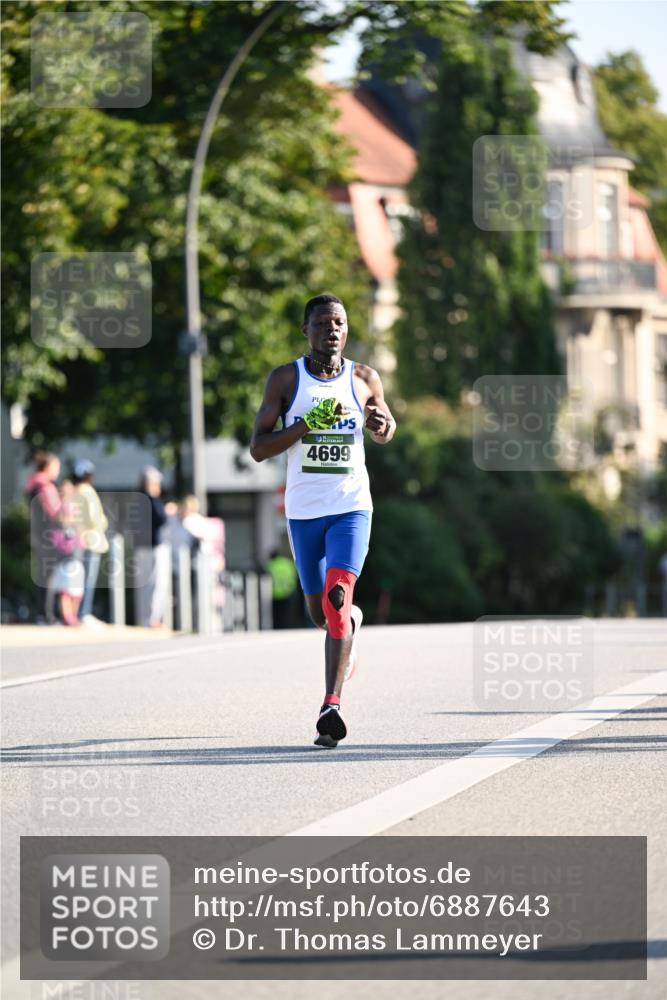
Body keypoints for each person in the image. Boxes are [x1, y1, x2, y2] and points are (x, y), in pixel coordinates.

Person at [250, 292, 396, 747]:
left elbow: (386, 427)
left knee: (337, 596)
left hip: (351, 507)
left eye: (339, 323)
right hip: (304, 512)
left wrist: (382, 427)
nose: (331, 330)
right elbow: (258, 448)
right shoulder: (285, 380)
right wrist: (305, 425)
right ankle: (349, 626)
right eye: (322, 323)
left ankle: (331, 707)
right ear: (306, 330)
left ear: (346, 330)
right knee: (321, 613)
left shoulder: (364, 377)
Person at [24, 450, 63, 623]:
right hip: (48, 535)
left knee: (42, 574)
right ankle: (47, 614)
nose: (58, 470)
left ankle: (43, 613)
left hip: (38, 534)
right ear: (48, 467)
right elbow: (56, 513)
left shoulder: (33, 484)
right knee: (48, 575)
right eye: (56, 466)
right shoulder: (45, 487)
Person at [71, 459, 108, 626]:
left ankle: (78, 613)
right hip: (91, 540)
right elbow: (95, 519)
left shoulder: (75, 491)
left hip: (80, 540)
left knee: (79, 580)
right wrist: (104, 522)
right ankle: (83, 613)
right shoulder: (87, 491)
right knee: (87, 580)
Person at [135, 466, 170, 628]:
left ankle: (145, 618)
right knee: (156, 584)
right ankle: (153, 619)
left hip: (141, 546)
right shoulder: (150, 500)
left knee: (144, 585)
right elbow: (161, 518)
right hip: (153, 546)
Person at [266, 548, 298, 629]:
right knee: (286, 614)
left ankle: (278, 628)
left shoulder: (270, 565)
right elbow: (294, 576)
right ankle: (287, 627)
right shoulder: (287, 563)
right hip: (288, 593)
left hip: (275, 595)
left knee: (276, 616)